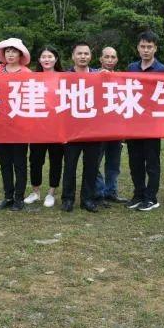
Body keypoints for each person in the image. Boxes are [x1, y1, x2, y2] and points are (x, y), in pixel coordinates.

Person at [126, 31, 164, 211]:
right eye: (142, 46)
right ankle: (138, 194)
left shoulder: (162, 70)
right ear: (138, 48)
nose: (145, 50)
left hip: (152, 124)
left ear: (155, 48)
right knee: (135, 161)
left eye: (149, 47)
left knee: (152, 162)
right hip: (133, 122)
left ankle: (151, 197)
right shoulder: (131, 68)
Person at [61, 41, 102, 213]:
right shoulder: (63, 77)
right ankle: (67, 199)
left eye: (86, 53)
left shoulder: (99, 75)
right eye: (79, 53)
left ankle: (88, 199)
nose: (83, 57)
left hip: (94, 129)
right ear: (73, 56)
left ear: (90, 56)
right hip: (71, 130)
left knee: (91, 166)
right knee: (70, 166)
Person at [0, 38, 32, 211]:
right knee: (4, 162)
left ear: (20, 54)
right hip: (1, 124)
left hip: (20, 124)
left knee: (20, 162)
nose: (10, 54)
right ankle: (8, 195)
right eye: (7, 51)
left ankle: (19, 197)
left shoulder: (26, 72)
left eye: (14, 51)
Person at [26, 47, 65, 208]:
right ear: (39, 60)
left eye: (50, 56)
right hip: (37, 127)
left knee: (56, 160)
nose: (47, 59)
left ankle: (51, 193)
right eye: (44, 56)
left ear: (56, 59)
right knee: (35, 160)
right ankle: (35, 191)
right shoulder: (32, 78)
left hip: (58, 127)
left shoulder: (64, 77)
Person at [95, 46, 126, 204]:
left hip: (116, 128)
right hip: (98, 129)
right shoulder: (92, 75)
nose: (109, 60)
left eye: (113, 57)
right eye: (106, 57)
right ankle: (99, 192)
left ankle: (111, 192)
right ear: (100, 59)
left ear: (117, 59)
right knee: (95, 162)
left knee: (114, 164)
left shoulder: (122, 78)